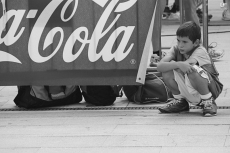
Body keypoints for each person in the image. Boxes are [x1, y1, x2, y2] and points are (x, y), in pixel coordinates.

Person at [157, 21, 222, 117]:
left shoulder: (200, 51)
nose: (180, 45)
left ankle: (208, 101)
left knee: (191, 69)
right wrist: (178, 64)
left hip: (209, 88)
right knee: (167, 69)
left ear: (196, 42)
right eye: (178, 40)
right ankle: (180, 101)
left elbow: (187, 66)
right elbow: (160, 66)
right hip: (190, 87)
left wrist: (176, 64)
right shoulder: (176, 49)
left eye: (184, 42)